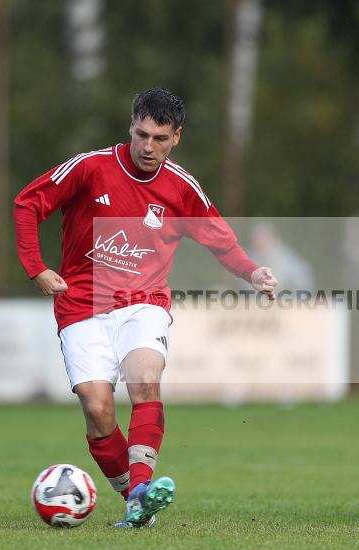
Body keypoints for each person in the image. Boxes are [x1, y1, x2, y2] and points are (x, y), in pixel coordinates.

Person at [14, 88, 278, 527]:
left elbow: (220, 240)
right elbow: (27, 203)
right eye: (141, 134)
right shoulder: (90, 168)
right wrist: (36, 268)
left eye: (159, 138)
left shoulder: (181, 187)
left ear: (177, 137)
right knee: (98, 410)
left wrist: (251, 273)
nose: (147, 146)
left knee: (143, 381)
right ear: (130, 127)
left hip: (144, 302)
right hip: (82, 304)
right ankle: (135, 498)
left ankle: (140, 490)